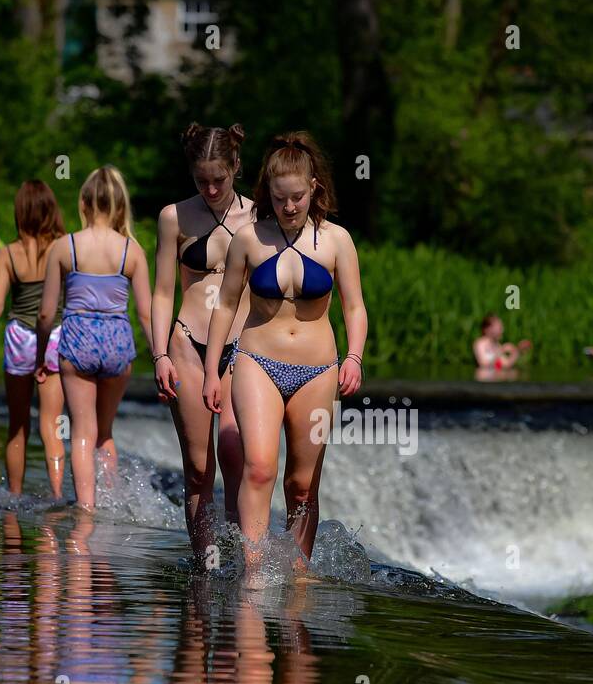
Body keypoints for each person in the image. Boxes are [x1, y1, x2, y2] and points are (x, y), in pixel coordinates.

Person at [202, 131, 367, 576]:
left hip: (318, 370)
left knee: (301, 486)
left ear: (314, 188)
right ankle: (254, 576)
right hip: (257, 361)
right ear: (267, 194)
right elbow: (226, 305)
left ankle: (297, 577)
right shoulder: (249, 240)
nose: (289, 207)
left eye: (296, 197)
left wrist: (354, 357)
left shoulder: (337, 241)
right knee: (258, 468)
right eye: (279, 199)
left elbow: (354, 306)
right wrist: (211, 371)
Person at [151, 123, 256, 558]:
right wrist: (158, 353)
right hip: (187, 343)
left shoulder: (259, 216)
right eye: (201, 180)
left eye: (219, 179)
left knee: (234, 453)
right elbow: (161, 291)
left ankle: (237, 557)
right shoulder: (174, 217)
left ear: (235, 167)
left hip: (241, 348)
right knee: (198, 468)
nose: (211, 188)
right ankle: (205, 565)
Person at [37, 165, 152, 510]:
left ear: (84, 203)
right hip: (118, 342)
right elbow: (146, 313)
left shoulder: (64, 247)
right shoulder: (132, 251)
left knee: (82, 432)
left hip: (78, 340)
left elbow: (45, 314)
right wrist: (162, 359)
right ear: (119, 206)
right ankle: (113, 505)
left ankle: (86, 512)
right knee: (105, 432)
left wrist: (42, 355)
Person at [0, 181, 68, 497]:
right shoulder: (64, 246)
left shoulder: (8, 254)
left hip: (19, 338)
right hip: (54, 335)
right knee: (52, 424)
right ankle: (56, 496)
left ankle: (13, 496)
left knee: (17, 425)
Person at [473, 314, 530, 380]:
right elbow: (483, 364)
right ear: (487, 329)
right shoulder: (480, 343)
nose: (502, 330)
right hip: (484, 382)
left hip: (494, 380)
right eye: (499, 327)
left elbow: (506, 364)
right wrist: (501, 351)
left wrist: (517, 351)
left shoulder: (497, 345)